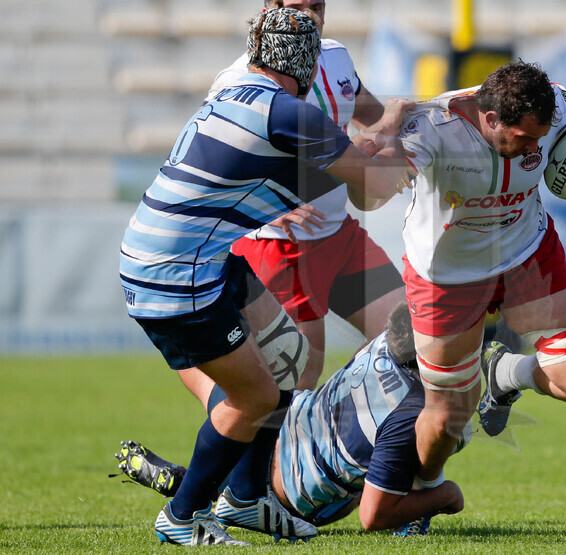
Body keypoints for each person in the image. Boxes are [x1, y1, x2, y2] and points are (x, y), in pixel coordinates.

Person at [119, 8, 407, 545]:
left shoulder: (240, 94)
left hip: (189, 254)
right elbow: (375, 188)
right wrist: (404, 142)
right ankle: (182, 516)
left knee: (286, 362)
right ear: (307, 67)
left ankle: (247, 501)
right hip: (175, 272)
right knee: (254, 398)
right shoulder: (291, 114)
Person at [391, 61, 566, 486]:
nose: (533, 150)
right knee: (447, 417)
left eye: (539, 140)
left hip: (526, 255)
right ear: (490, 119)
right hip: (447, 276)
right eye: (524, 138)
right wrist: (383, 157)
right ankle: (422, 490)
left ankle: (504, 374)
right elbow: (367, 186)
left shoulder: (548, 107)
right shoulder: (433, 126)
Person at [113, 302, 468, 536]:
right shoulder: (411, 414)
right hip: (289, 493)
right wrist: (446, 495)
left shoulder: (385, 342)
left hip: (283, 418)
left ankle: (194, 486)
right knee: (369, 487)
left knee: (213, 385)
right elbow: (372, 516)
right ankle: (203, 490)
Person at [200, 0, 406, 392]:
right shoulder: (237, 78)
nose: (311, 15)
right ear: (268, 9)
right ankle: (300, 438)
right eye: (299, 6)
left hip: (339, 236)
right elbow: (203, 161)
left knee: (410, 336)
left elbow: (374, 117)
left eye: (317, 5)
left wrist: (397, 128)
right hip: (281, 247)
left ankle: (335, 420)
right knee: (296, 386)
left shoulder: (336, 57)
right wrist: (258, 210)